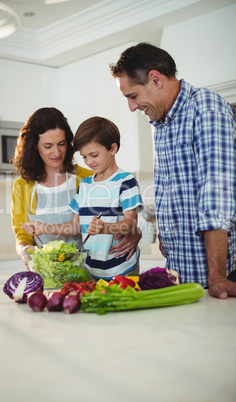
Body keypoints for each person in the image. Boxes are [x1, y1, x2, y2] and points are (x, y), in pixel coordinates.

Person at [109, 42, 236, 299]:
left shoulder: (206, 108)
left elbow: (216, 199)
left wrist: (218, 277)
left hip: (214, 278)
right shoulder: (160, 121)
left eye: (132, 96)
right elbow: (170, 186)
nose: (132, 107)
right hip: (182, 275)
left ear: (155, 79)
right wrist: (166, 235)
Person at [12, 108, 141, 267]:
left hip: (86, 270)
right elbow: (22, 235)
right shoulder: (22, 187)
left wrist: (134, 231)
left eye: (61, 144)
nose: (57, 152)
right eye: (48, 146)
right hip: (48, 272)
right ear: (34, 146)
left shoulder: (88, 178)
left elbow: (120, 217)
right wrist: (25, 250)